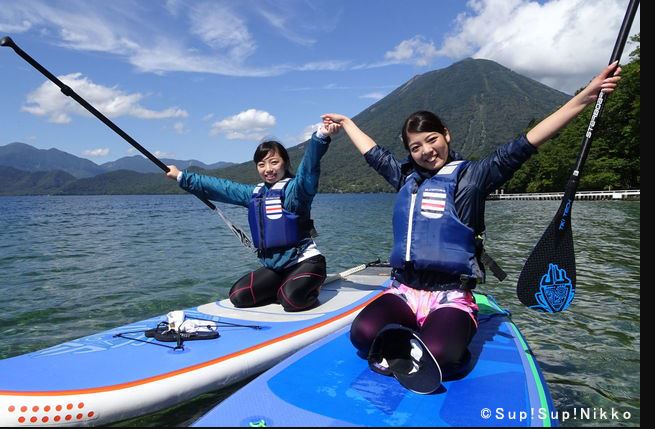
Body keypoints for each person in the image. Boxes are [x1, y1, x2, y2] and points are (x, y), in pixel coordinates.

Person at [322, 62, 621, 382]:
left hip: (450, 295)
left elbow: (525, 144)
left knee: (440, 355)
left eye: (431, 139)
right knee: (362, 334)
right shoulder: (406, 177)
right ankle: (412, 331)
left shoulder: (473, 177)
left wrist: (584, 97)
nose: (426, 151)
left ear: (446, 135)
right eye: (415, 147)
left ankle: (444, 330)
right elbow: (374, 154)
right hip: (404, 291)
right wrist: (347, 122)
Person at [165, 123, 340, 311]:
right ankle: (285, 286)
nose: (268, 169)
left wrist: (320, 137)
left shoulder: (295, 191)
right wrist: (181, 176)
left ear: (285, 163)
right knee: (238, 296)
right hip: (276, 268)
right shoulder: (253, 194)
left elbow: (309, 169)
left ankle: (307, 286)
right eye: (261, 164)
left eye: (274, 162)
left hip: (306, 261)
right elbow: (221, 187)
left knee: (290, 301)